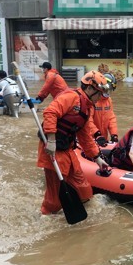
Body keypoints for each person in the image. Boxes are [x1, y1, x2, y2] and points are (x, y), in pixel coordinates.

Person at [38, 70, 110, 215]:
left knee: (84, 189)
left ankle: (79, 207)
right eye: (99, 93)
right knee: (55, 195)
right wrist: (51, 140)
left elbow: (85, 137)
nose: (100, 97)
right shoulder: (71, 97)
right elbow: (50, 112)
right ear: (89, 88)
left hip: (67, 150)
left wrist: (97, 158)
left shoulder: (87, 108)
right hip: (52, 149)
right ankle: (46, 215)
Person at [89, 73, 119, 147]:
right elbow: (88, 120)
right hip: (90, 138)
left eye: (110, 90)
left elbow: (111, 118)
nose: (107, 92)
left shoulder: (108, 100)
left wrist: (114, 134)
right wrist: (97, 134)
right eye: (106, 89)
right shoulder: (93, 99)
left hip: (102, 139)